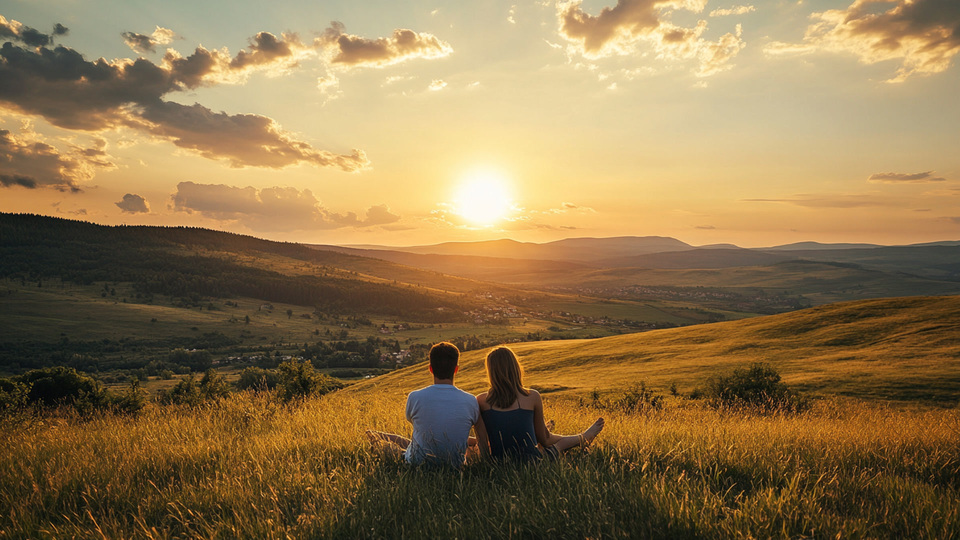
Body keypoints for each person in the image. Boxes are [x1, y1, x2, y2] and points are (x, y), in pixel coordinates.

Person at [366, 342, 487, 467]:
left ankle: (373, 435)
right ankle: (374, 435)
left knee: (398, 447)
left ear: (430, 369)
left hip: (417, 462)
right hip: (455, 464)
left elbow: (421, 425)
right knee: (409, 443)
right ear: (456, 369)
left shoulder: (415, 397)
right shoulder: (471, 400)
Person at [476, 346, 604, 461]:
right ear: (516, 368)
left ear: (491, 373)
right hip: (533, 462)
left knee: (539, 436)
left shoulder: (480, 400)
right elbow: (545, 440)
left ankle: (549, 428)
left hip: (499, 464)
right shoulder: (532, 396)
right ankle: (583, 437)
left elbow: (483, 446)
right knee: (557, 445)